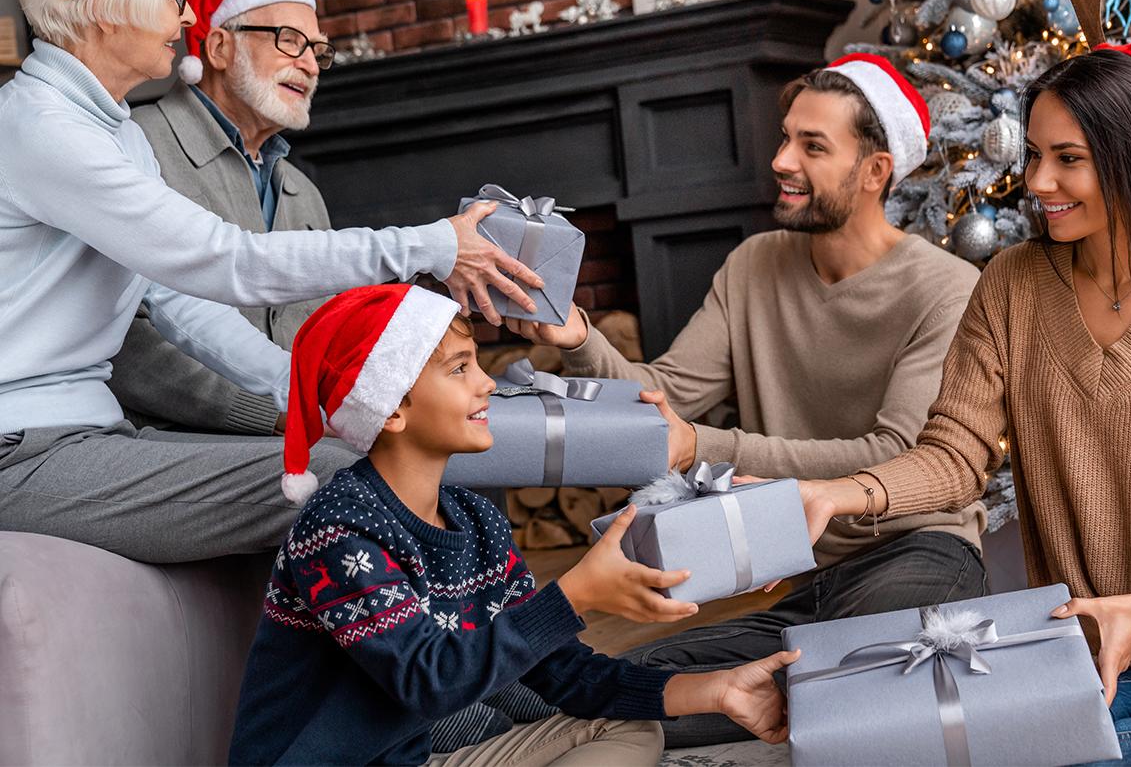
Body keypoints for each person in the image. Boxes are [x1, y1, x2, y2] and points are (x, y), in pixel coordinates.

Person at [0, 0, 540, 563]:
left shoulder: (108, 132)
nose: (189, 15)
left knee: (380, 454)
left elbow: (182, 305)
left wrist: (314, 394)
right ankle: (497, 664)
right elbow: (226, 261)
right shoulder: (39, 129)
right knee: (353, 479)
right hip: (21, 453)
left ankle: (495, 659)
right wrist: (430, 244)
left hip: (81, 437)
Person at [510, 55, 987, 746]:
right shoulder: (755, 265)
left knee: (855, 687)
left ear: (876, 171)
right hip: (801, 576)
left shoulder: (946, 288)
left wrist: (704, 445)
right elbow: (664, 398)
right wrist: (575, 334)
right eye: (786, 138)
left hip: (917, 551)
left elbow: (897, 455)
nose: (781, 160)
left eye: (812, 146)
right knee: (630, 686)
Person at [794, 46, 1131, 765]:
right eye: (1035, 153)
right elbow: (955, 455)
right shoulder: (1013, 284)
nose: (1037, 181)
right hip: (1094, 634)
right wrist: (841, 493)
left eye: (1067, 158)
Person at [228, 283, 801, 766]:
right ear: (391, 407)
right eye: (459, 368)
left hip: (418, 754)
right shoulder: (339, 527)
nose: (487, 384)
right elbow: (431, 681)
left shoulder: (477, 519)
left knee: (629, 731)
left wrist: (717, 690)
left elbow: (565, 674)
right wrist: (575, 592)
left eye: (476, 363)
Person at [109, 0, 340, 436]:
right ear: (218, 47)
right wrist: (270, 418)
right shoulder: (136, 146)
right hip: (176, 442)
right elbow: (125, 337)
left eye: (318, 50)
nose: (311, 65)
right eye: (290, 41)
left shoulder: (304, 192)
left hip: (304, 429)